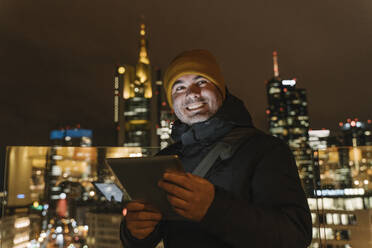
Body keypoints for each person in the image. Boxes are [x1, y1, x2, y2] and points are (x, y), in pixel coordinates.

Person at [119, 49, 312, 248]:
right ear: (172, 103)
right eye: (179, 87)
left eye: (201, 82)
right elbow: (144, 237)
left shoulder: (265, 150)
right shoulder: (165, 159)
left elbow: (296, 235)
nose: (192, 93)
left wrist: (214, 208)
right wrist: (134, 232)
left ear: (221, 90)